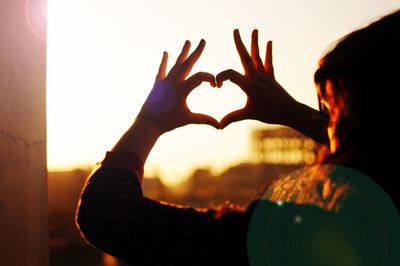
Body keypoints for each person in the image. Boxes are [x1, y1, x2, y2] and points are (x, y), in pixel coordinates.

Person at [76, 10, 400, 266]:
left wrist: (149, 121)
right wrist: (296, 114)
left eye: (333, 111)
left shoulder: (308, 241)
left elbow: (107, 214)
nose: (328, 126)